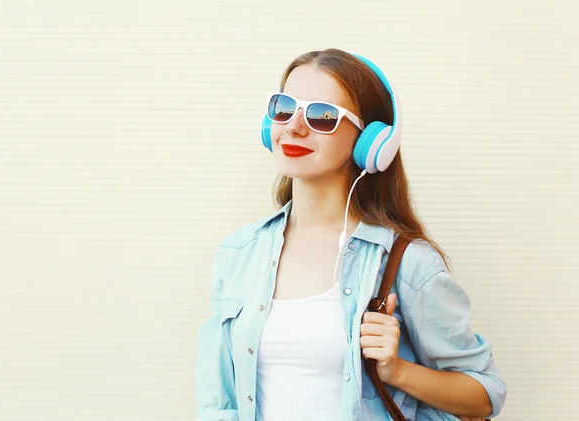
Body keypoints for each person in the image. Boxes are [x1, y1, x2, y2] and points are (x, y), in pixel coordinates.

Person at [194, 48, 507, 421]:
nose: (294, 126)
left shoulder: (408, 262)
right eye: (284, 107)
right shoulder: (239, 253)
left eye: (322, 116)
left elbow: (485, 395)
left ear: (370, 142)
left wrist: (397, 371)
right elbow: (219, 401)